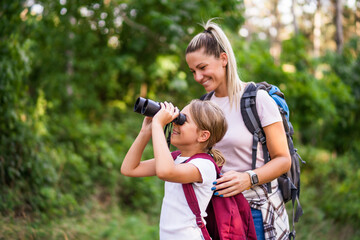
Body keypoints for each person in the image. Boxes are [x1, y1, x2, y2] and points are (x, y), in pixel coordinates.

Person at [185, 19, 292, 240]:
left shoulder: (257, 100)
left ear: (223, 59)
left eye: (202, 67)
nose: (197, 77)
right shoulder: (203, 106)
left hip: (256, 212)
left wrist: (248, 178)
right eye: (193, 70)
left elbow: (283, 160)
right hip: (216, 211)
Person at [121, 99, 228, 240]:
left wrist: (158, 125)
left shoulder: (204, 165)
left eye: (182, 120)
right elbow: (130, 169)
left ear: (203, 135)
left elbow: (165, 172)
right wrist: (145, 131)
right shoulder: (176, 158)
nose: (174, 123)